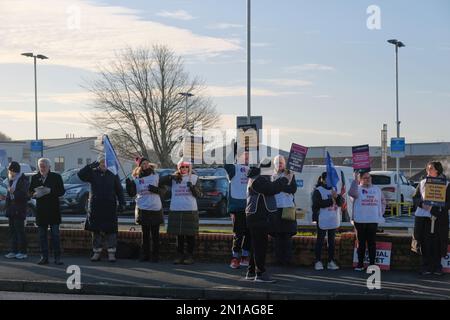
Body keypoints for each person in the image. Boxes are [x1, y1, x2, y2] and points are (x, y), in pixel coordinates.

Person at [245, 158, 290, 283]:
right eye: (271, 169)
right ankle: (260, 274)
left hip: (257, 217)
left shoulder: (258, 178)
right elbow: (272, 189)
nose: (272, 173)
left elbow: (271, 188)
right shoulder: (258, 179)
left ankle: (251, 271)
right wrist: (285, 179)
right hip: (258, 217)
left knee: (256, 246)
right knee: (260, 246)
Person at [78, 155, 125, 262]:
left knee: (111, 231)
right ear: (98, 163)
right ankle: (96, 252)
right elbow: (80, 175)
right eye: (101, 163)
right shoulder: (92, 173)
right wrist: (89, 166)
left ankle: (111, 253)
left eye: (105, 163)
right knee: (96, 231)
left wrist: (122, 203)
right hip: (95, 206)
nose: (104, 165)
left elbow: (119, 189)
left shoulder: (113, 174)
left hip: (110, 206)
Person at [159, 160, 202, 265]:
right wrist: (170, 177)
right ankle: (179, 255)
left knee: (190, 235)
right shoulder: (174, 178)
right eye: (182, 167)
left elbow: (199, 194)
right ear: (179, 168)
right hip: (176, 208)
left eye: (186, 167)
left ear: (189, 168)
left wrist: (192, 188)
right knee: (179, 236)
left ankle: (189, 255)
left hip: (190, 209)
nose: (184, 169)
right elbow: (160, 181)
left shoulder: (195, 178)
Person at [412, 161, 450, 276]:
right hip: (424, 219)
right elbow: (415, 198)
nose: (428, 171)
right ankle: (425, 266)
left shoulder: (447, 184)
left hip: (439, 219)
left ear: (437, 170)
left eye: (431, 169)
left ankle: (437, 267)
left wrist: (434, 209)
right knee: (425, 243)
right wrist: (422, 205)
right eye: (427, 169)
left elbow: (449, 202)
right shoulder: (422, 182)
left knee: (438, 243)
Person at [126, 157, 164, 262]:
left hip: (155, 207)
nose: (145, 165)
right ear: (140, 166)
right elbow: (132, 194)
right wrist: (129, 186)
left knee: (155, 234)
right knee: (145, 234)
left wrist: (154, 189)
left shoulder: (156, 176)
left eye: (146, 163)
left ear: (149, 164)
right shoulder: (136, 178)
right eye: (143, 164)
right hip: (143, 208)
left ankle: (155, 255)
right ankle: (145, 255)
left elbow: (163, 191)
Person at [29, 158, 65, 265]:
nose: (42, 168)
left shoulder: (56, 176)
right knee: (42, 236)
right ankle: (44, 257)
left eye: (44, 166)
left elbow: (62, 191)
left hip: (53, 210)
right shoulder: (35, 177)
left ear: (49, 167)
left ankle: (57, 258)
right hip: (41, 211)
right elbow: (30, 192)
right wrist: (34, 195)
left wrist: (50, 191)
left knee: (55, 235)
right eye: (40, 165)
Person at [348, 170, 386, 271]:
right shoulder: (357, 189)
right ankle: (360, 264)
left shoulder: (377, 189)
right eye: (365, 178)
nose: (368, 179)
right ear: (360, 179)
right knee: (361, 243)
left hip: (373, 220)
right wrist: (355, 180)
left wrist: (380, 213)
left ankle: (372, 264)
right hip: (360, 220)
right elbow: (351, 193)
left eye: (369, 177)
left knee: (371, 243)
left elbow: (383, 201)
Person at [269, 155, 298, 266]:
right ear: (274, 164)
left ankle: (287, 260)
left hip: (287, 207)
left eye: (281, 162)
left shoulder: (290, 174)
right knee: (276, 236)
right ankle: (278, 259)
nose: (280, 164)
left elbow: (293, 189)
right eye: (277, 162)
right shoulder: (271, 175)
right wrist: (282, 185)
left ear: (284, 163)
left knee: (287, 235)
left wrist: (280, 186)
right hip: (275, 208)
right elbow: (271, 189)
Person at [224, 150, 251, 269]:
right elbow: (226, 163)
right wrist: (233, 148)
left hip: (250, 207)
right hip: (237, 207)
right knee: (238, 234)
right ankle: (235, 258)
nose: (246, 158)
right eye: (243, 156)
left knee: (249, 233)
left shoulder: (251, 168)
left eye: (248, 156)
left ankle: (245, 256)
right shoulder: (233, 168)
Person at [312, 172, 344, 271]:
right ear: (323, 179)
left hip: (332, 218)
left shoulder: (334, 189)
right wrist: (331, 200)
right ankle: (318, 261)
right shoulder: (318, 191)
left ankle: (331, 261)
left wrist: (337, 197)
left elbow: (341, 203)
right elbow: (318, 204)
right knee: (320, 241)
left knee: (332, 242)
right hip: (322, 219)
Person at [2, 161, 30, 260]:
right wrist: (6, 205)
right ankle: (13, 251)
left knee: (20, 231)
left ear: (14, 170)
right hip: (11, 209)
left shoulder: (23, 180)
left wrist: (14, 192)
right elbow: (9, 195)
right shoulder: (11, 180)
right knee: (12, 231)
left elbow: (25, 195)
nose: (9, 172)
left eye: (10, 170)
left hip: (19, 209)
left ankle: (23, 252)